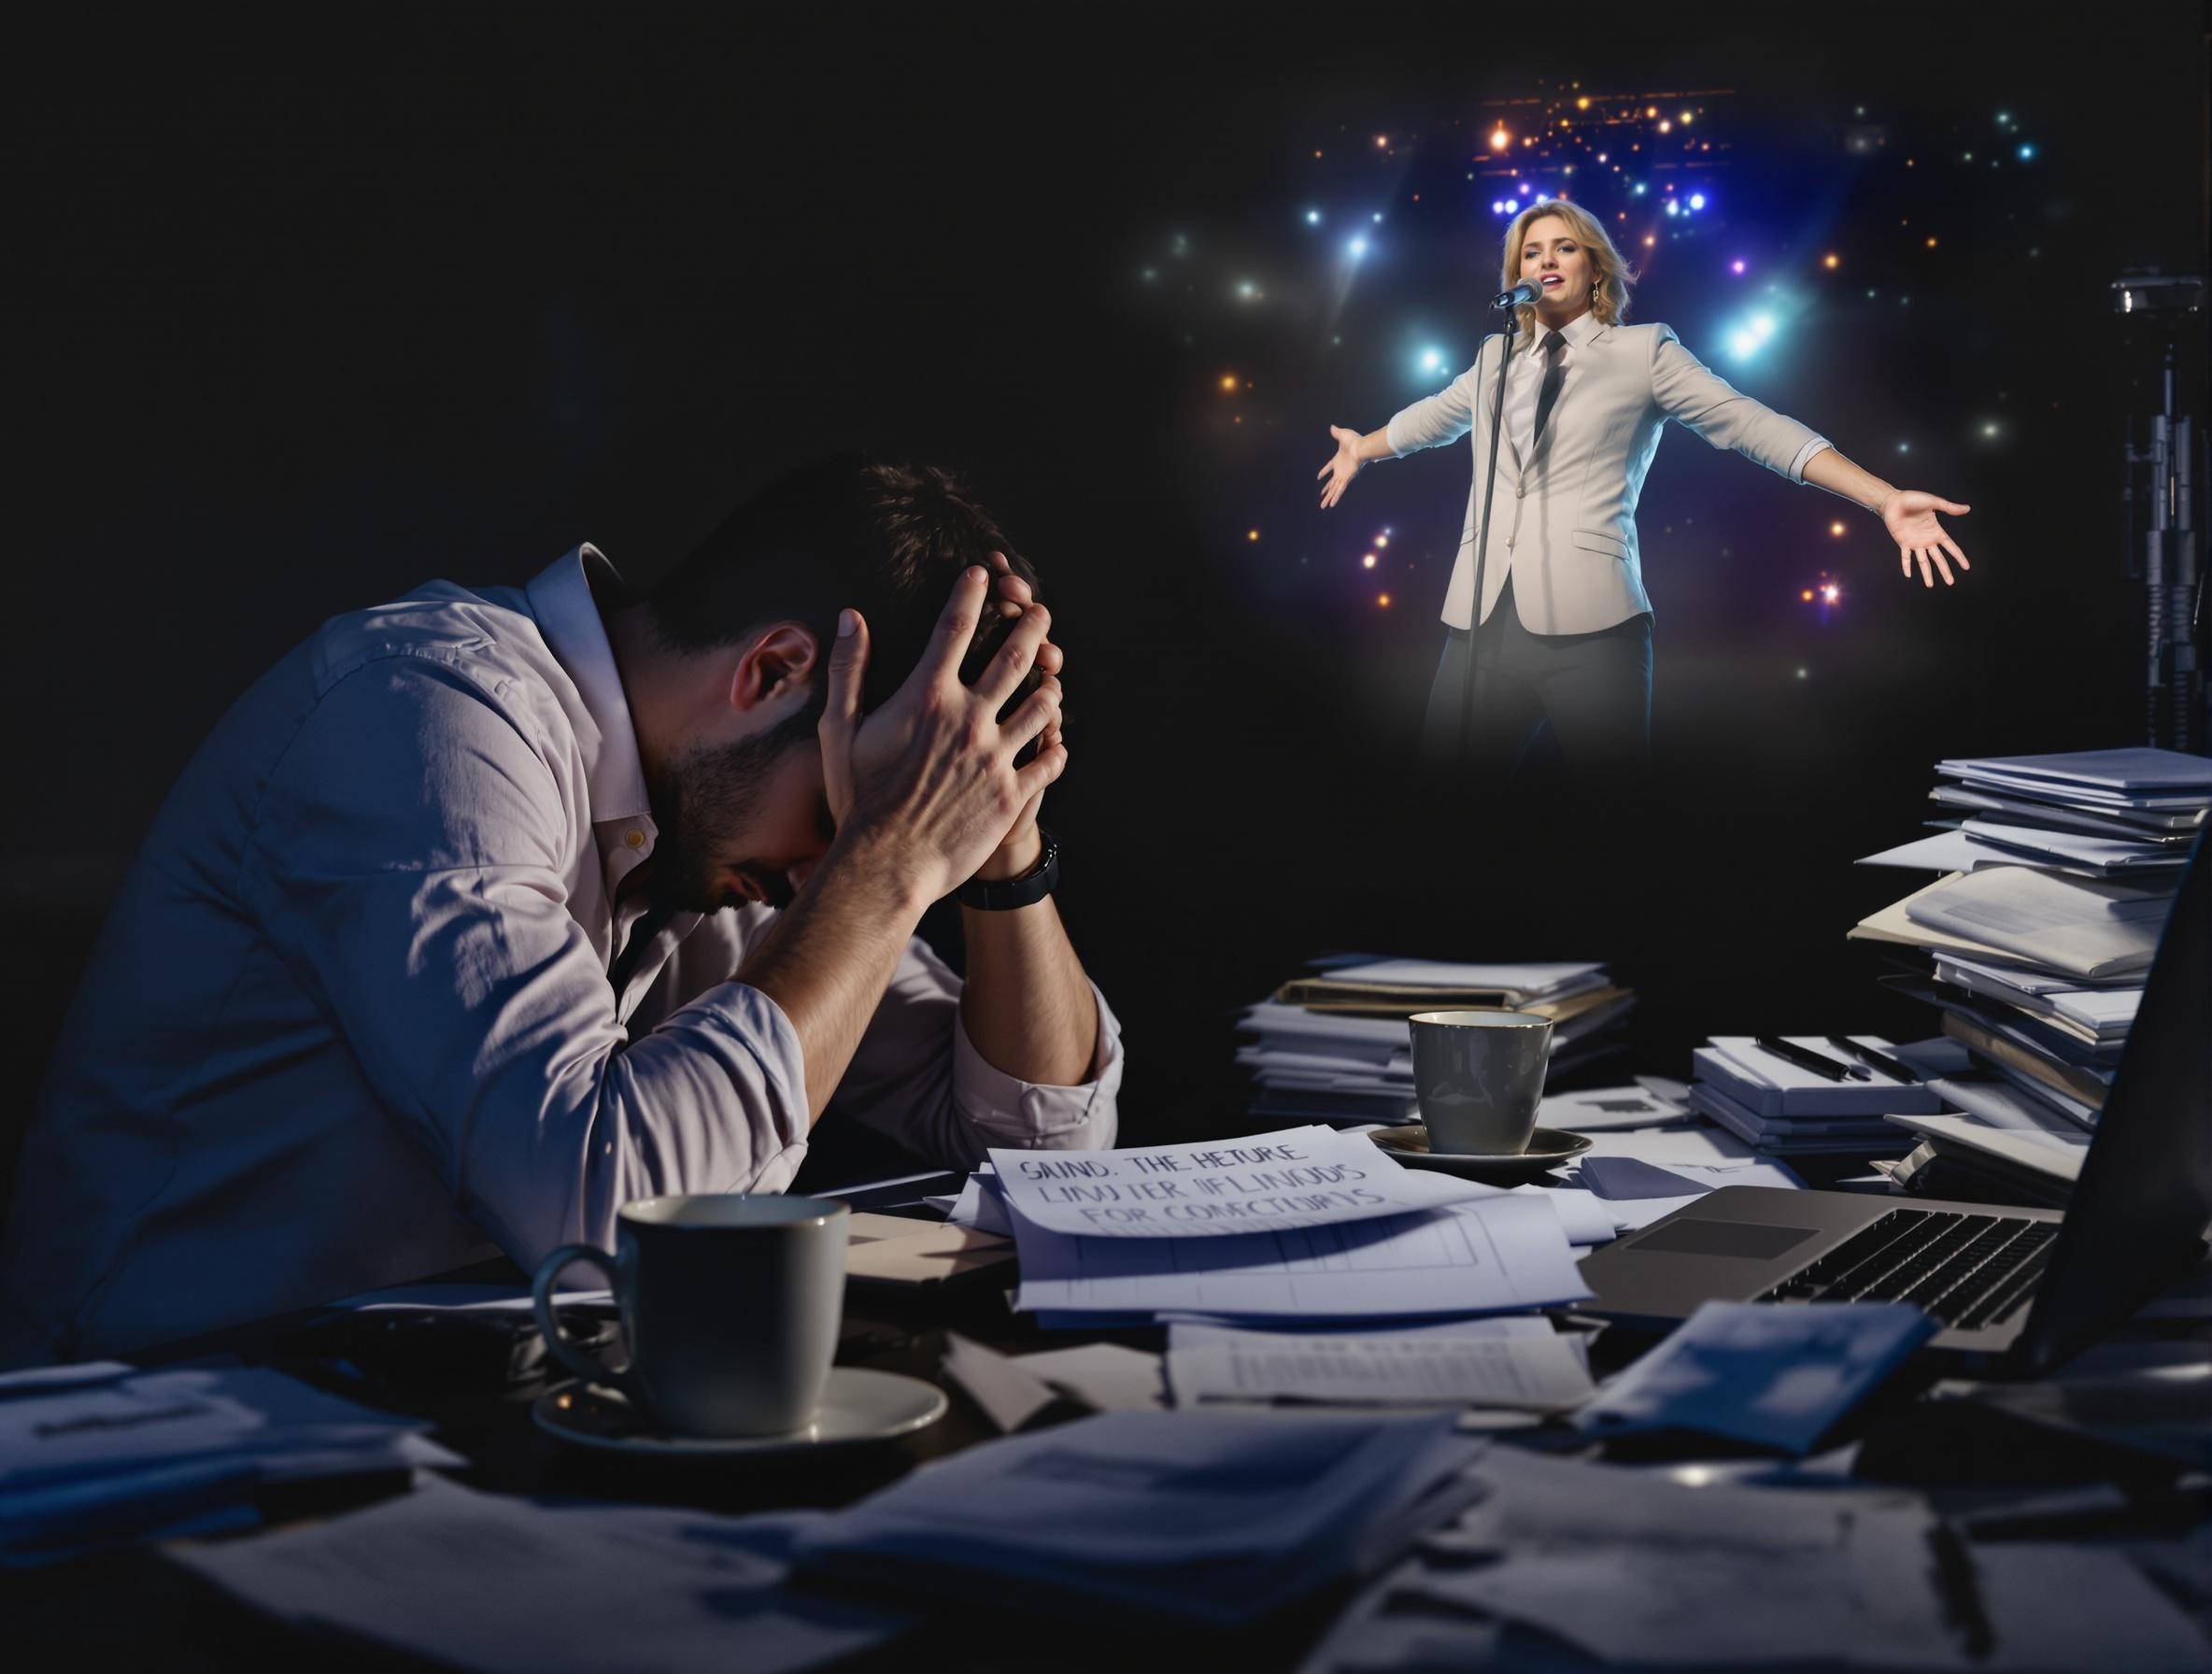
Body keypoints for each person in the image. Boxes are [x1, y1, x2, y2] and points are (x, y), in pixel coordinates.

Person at [0, 458, 1123, 1363]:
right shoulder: (424, 717)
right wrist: (883, 866)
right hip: (145, 1428)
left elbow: (1036, 1147)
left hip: (415, 1418)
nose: (815, 880)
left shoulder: (711, 830)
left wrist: (996, 852)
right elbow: (615, 1214)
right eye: (844, 820)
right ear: (775, 672)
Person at [1317, 197, 1973, 776]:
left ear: (1594, 267)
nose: (1546, 259)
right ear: (1516, 275)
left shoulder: (1644, 352)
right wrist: (1363, 449)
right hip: (1480, 627)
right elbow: (1432, 418)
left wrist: (1882, 496)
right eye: (1531, 251)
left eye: (1564, 247)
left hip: (1595, 632)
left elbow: (1750, 424)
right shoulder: (1496, 359)